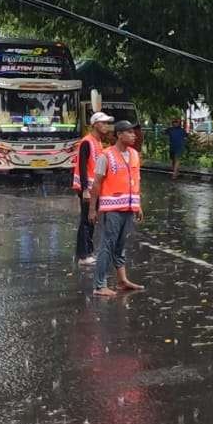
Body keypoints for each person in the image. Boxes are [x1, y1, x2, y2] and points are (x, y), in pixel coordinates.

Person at [86, 120, 144, 297]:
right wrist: (92, 209)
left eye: (134, 132)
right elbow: (96, 184)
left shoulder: (134, 154)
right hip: (112, 209)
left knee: (120, 245)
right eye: (130, 132)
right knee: (107, 246)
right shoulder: (106, 156)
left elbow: (135, 182)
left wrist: (138, 205)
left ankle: (122, 280)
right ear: (119, 135)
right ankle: (99, 285)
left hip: (128, 207)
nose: (134, 135)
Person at [71, 112, 116, 266]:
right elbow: (82, 167)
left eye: (107, 123)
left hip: (92, 188)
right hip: (86, 188)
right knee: (86, 220)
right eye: (103, 123)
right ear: (95, 124)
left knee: (90, 221)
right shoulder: (87, 142)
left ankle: (85, 252)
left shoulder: (97, 142)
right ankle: (83, 255)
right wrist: (84, 189)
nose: (106, 126)